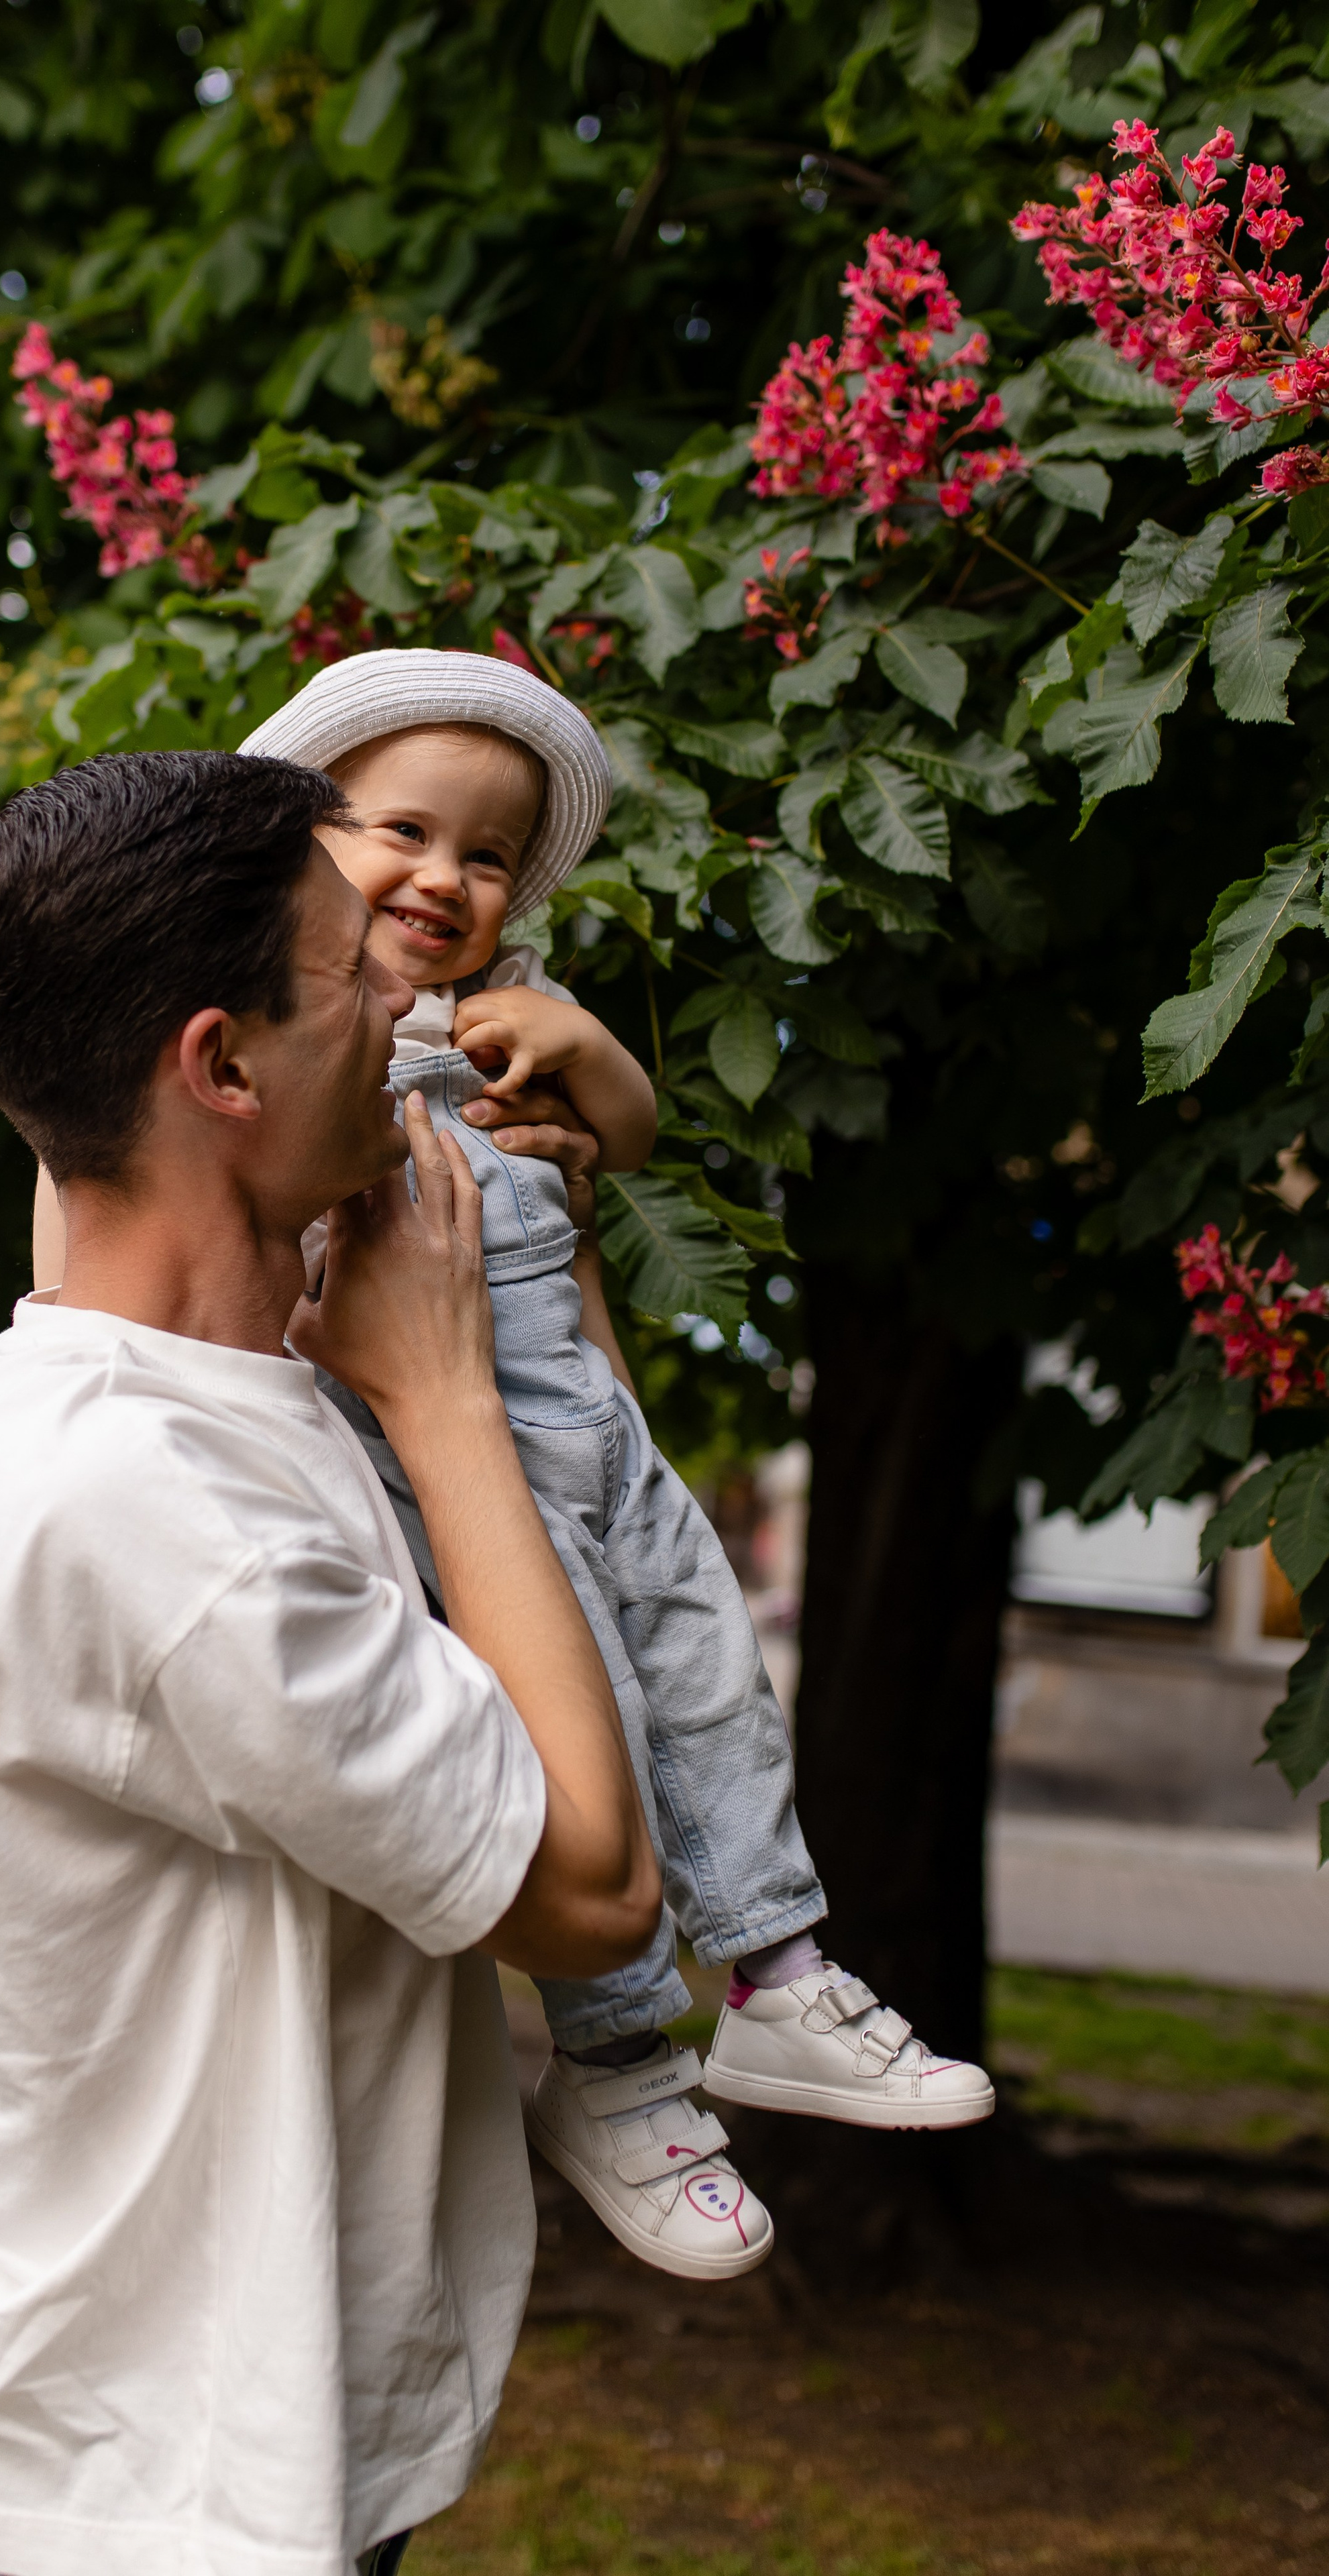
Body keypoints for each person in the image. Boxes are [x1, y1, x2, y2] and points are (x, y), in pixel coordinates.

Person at [0, 748, 663, 2576]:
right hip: (152, 2506)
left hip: (210, 2460)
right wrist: (453, 1395)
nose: (414, 990)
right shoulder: (155, 1506)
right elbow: (591, 1894)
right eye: (352, 976)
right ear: (220, 1066)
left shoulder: (198, 1384)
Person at [242, 655, 994, 2276]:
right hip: (464, 1470)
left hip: (599, 1430)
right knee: (578, 1749)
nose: (446, 876)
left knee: (717, 1682)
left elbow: (625, 1144)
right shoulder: (289, 1036)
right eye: (402, 833)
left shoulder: (502, 1020)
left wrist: (582, 1047)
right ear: (302, 842)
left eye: (490, 854)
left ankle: (784, 1978)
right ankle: (620, 2072)